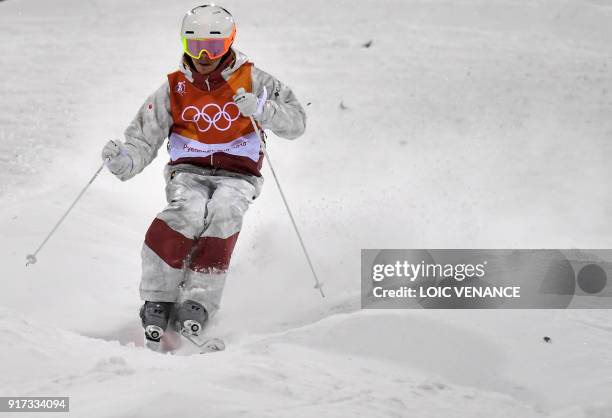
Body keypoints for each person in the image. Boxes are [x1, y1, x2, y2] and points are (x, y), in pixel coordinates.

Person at [101, 4, 306, 348]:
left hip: (238, 175)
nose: (204, 56)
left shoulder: (255, 80)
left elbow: (297, 121)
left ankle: (199, 300)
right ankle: (158, 297)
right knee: (186, 212)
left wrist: (261, 108)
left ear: (230, 42)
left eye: (214, 47)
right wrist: (124, 160)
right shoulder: (173, 87)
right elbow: (142, 139)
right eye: (195, 46)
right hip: (189, 172)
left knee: (224, 210)